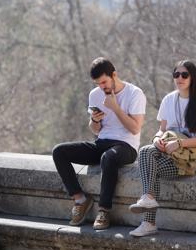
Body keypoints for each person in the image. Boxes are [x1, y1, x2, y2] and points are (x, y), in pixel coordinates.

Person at [52, 57, 146, 230]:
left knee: (108, 158)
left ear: (114, 75)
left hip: (126, 146)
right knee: (59, 151)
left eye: (104, 82)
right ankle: (80, 199)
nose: (102, 87)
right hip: (102, 142)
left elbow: (135, 128)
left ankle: (103, 210)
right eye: (98, 84)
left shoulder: (134, 93)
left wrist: (115, 108)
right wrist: (94, 121)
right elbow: (95, 130)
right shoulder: (95, 95)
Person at [128, 60, 196, 237]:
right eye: (176, 74)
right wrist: (157, 140)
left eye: (185, 75)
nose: (180, 78)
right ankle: (148, 199)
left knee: (150, 169)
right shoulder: (169, 100)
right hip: (172, 153)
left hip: (195, 159)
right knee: (146, 151)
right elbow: (162, 130)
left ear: (193, 78)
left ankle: (148, 222)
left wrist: (179, 143)